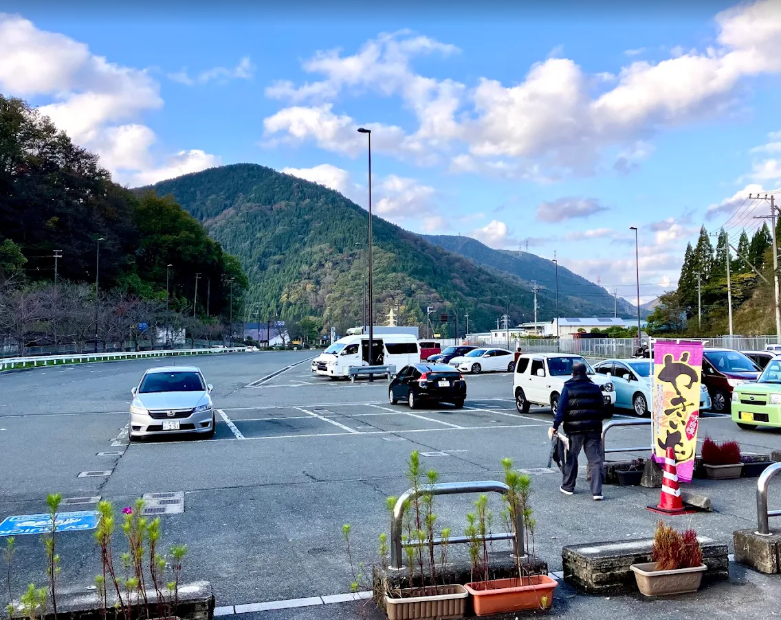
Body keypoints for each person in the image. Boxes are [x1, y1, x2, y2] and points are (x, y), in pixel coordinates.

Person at [551, 362, 612, 500]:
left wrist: (555, 425)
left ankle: (568, 487)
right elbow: (603, 408)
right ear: (585, 373)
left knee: (572, 457)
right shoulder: (595, 388)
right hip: (593, 429)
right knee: (595, 459)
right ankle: (597, 492)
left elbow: (561, 410)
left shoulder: (568, 387)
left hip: (574, 430)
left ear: (572, 374)